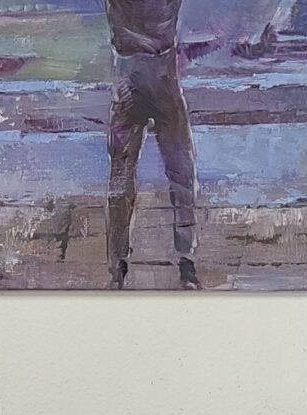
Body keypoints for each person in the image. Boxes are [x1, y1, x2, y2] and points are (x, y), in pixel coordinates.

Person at [105, 0, 201, 290]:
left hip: (129, 75)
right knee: (180, 172)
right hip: (161, 76)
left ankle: (118, 265)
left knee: (122, 177)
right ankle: (185, 260)